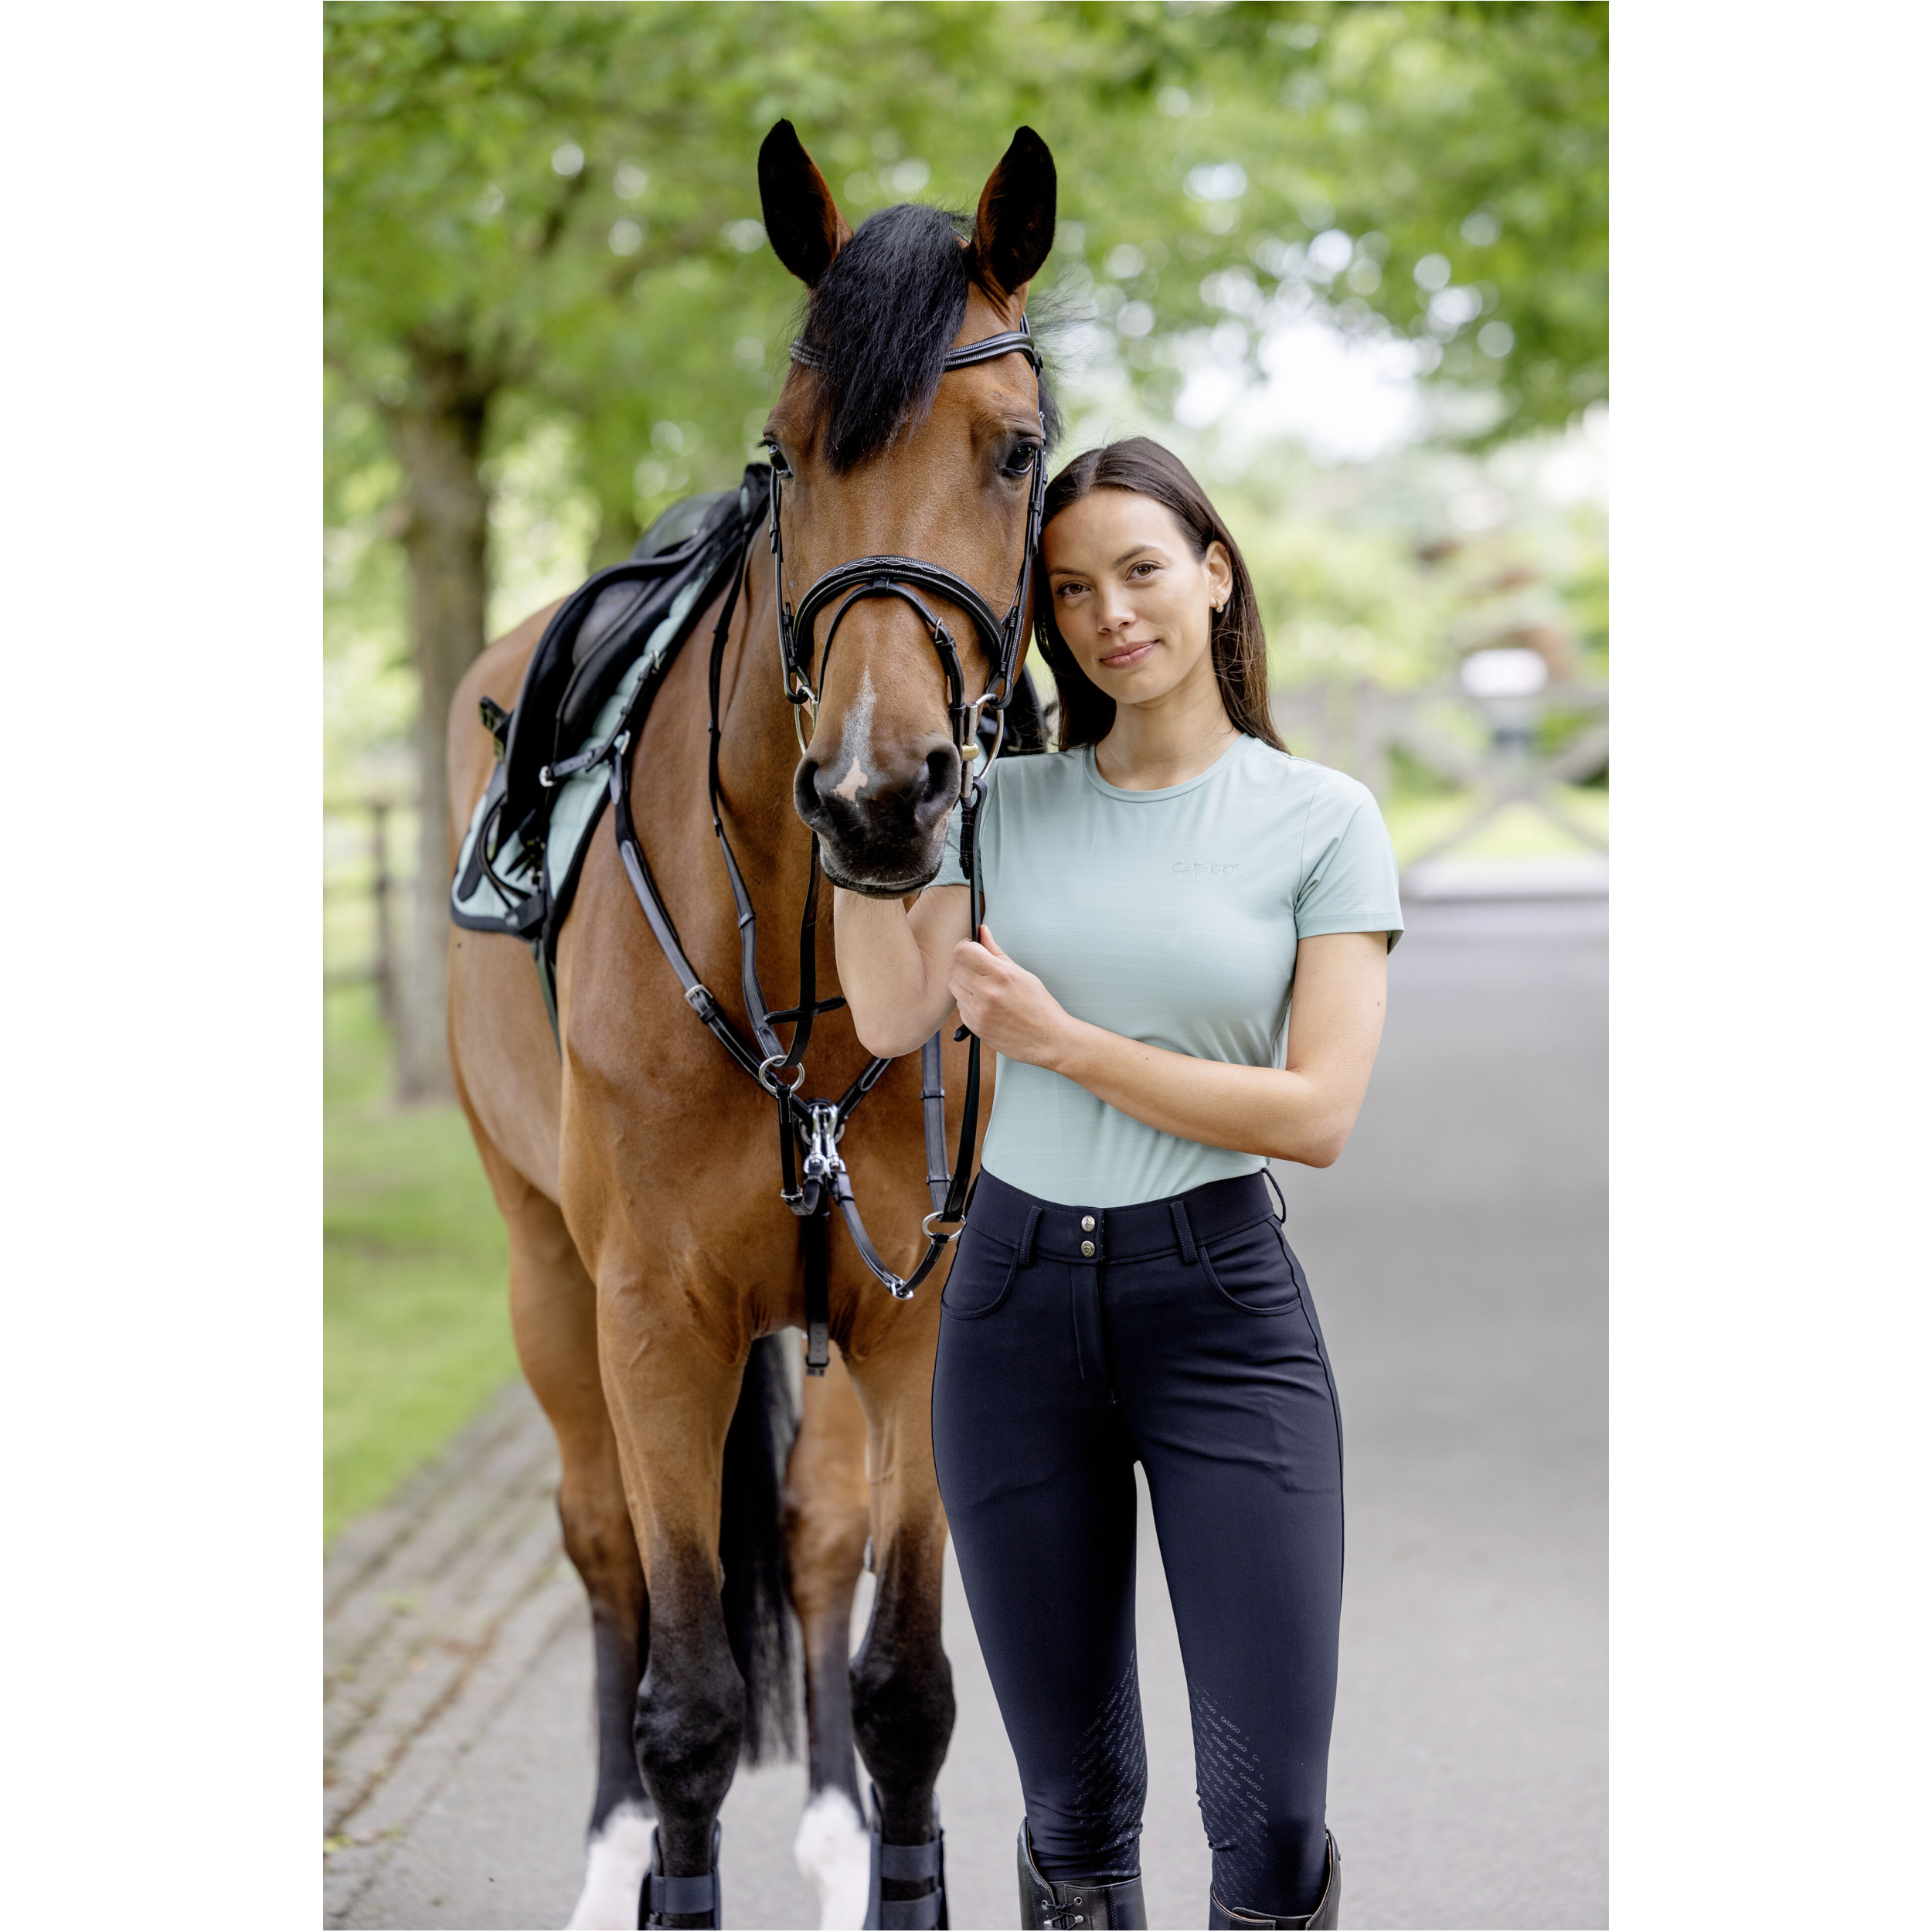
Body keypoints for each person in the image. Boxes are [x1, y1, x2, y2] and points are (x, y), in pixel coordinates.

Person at [834, 437, 1401, 1931]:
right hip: (1015, 1317)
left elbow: (1318, 1112)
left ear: (1215, 573)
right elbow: (894, 1016)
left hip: (1221, 1311)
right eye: (1071, 588)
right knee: (1074, 1816)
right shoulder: (1003, 805)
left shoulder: (1322, 817)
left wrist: (1064, 1043)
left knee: (1265, 1817)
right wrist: (852, 820)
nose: (1110, 615)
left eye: (1142, 570)